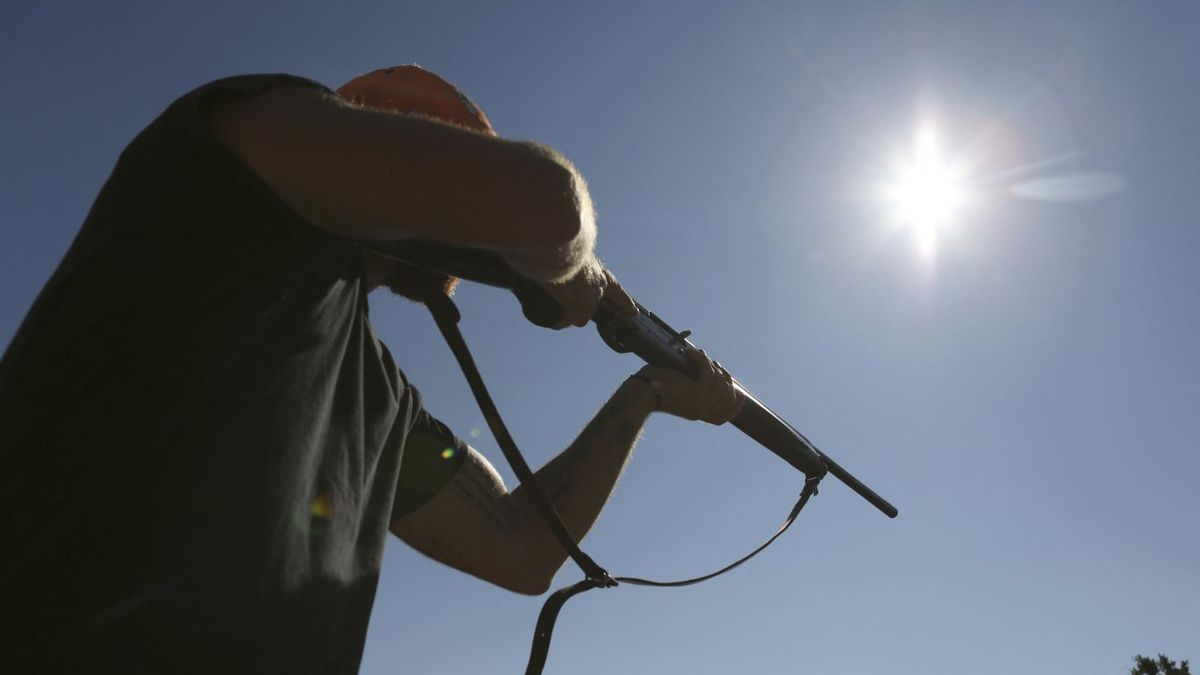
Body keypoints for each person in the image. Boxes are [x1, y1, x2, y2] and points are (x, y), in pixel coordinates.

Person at [0, 66, 742, 674]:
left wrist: (642, 394)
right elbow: (543, 206)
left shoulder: (377, 395)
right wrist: (583, 273)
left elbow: (520, 546)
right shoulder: (222, 159)